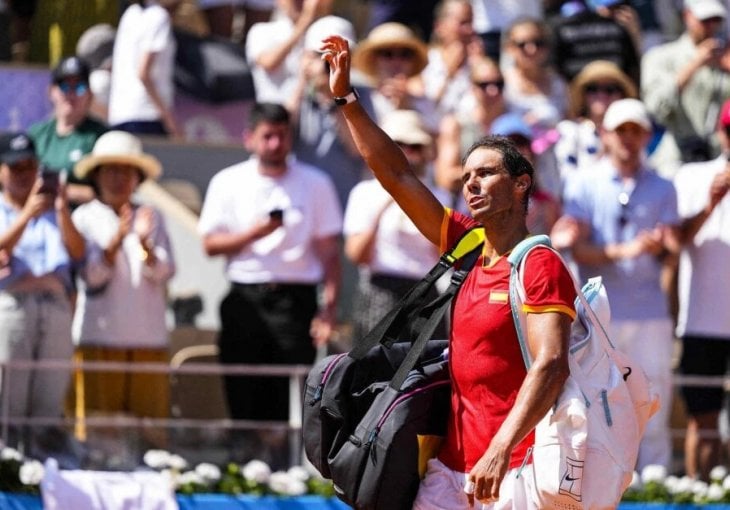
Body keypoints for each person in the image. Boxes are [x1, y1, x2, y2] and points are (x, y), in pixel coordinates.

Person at [322, 34, 577, 508]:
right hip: (450, 467)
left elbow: (551, 364)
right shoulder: (469, 243)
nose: (472, 184)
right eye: (466, 178)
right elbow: (396, 175)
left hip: (515, 470)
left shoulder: (539, 263)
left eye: (486, 173)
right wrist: (348, 101)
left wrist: (500, 449)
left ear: (522, 184)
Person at [198, 102, 341, 465]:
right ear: (249, 138)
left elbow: (329, 253)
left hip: (296, 301)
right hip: (245, 296)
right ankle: (242, 468)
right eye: (267, 136)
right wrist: (256, 233)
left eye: (282, 135)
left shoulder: (315, 183)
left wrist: (328, 309)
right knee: (242, 388)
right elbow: (211, 245)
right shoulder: (227, 181)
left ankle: (286, 469)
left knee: (290, 391)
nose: (276, 144)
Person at [559, 98, 679, 470]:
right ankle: (601, 483)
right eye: (621, 130)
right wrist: (626, 250)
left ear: (646, 136)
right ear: (605, 134)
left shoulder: (663, 186)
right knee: (599, 401)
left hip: (649, 310)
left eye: (636, 130)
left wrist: (663, 245)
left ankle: (658, 484)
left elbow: (672, 250)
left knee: (654, 397)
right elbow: (576, 249)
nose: (628, 138)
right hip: (600, 312)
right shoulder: (583, 182)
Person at [68, 131, 175, 447]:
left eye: (126, 171)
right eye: (110, 170)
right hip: (98, 338)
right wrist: (115, 241)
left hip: (149, 339)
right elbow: (91, 276)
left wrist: (143, 242)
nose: (118, 178)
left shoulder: (153, 216)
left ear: (137, 177)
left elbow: (165, 271)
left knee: (150, 436)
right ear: (97, 176)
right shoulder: (84, 217)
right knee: (98, 435)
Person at [0, 132, 85, 464]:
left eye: (30, 166)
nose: (23, 173)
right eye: (14, 166)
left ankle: (41, 468)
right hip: (13, 306)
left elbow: (77, 252)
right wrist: (27, 215)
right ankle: (8, 470)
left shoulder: (55, 209)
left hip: (55, 306)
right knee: (10, 397)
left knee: (49, 397)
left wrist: (61, 209)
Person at [343, 109, 450, 341]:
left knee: (427, 373)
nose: (409, 154)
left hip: (426, 292)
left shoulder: (439, 196)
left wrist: (416, 203)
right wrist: (389, 201)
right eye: (400, 145)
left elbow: (445, 254)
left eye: (416, 147)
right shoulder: (364, 193)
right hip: (379, 293)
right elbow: (356, 254)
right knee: (376, 372)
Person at [673, 99, 730, 481]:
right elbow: (674, 242)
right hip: (701, 322)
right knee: (702, 423)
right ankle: (697, 496)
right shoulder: (692, 176)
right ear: (720, 131)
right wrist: (711, 203)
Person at [641, 0, 730, 173]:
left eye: (716, 20)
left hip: (720, 158)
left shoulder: (725, 60)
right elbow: (655, 108)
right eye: (705, 20)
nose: (711, 26)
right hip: (676, 159)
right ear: (687, 16)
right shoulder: (661, 57)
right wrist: (694, 65)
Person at [28, 56, 107, 206]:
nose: (71, 94)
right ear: (51, 91)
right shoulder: (36, 134)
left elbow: (110, 192)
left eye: (79, 87)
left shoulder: (100, 136)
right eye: (64, 86)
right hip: (40, 218)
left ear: (90, 94)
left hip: (84, 221)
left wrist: (61, 191)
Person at [435, 55, 508, 211]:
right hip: (466, 212)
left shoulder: (515, 126)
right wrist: (493, 170)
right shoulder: (456, 124)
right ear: (472, 88)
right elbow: (445, 178)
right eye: (484, 85)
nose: (492, 91)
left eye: (498, 84)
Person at [554, 59, 638, 181]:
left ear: (622, 95)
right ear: (583, 95)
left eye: (610, 89)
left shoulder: (633, 132)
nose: (601, 95)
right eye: (593, 89)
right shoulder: (569, 130)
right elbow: (566, 180)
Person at [108, 0, 182, 137]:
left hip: (120, 116)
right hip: (147, 117)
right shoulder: (159, 16)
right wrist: (169, 119)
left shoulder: (129, 14)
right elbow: (143, 73)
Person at [352, 22, 440, 132]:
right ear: (373, 60)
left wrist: (408, 108)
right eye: (387, 53)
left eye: (405, 54)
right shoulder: (362, 99)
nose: (396, 61)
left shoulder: (425, 102)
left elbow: (435, 142)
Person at [245, 0, 332, 104]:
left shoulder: (322, 33)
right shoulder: (261, 30)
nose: (301, 5)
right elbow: (269, 63)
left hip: (311, 114)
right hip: (273, 112)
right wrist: (305, 21)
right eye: (295, 1)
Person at [501, 17, 568, 130]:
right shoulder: (500, 83)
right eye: (522, 44)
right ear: (508, 48)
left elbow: (567, 119)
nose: (531, 49)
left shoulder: (558, 83)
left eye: (538, 43)